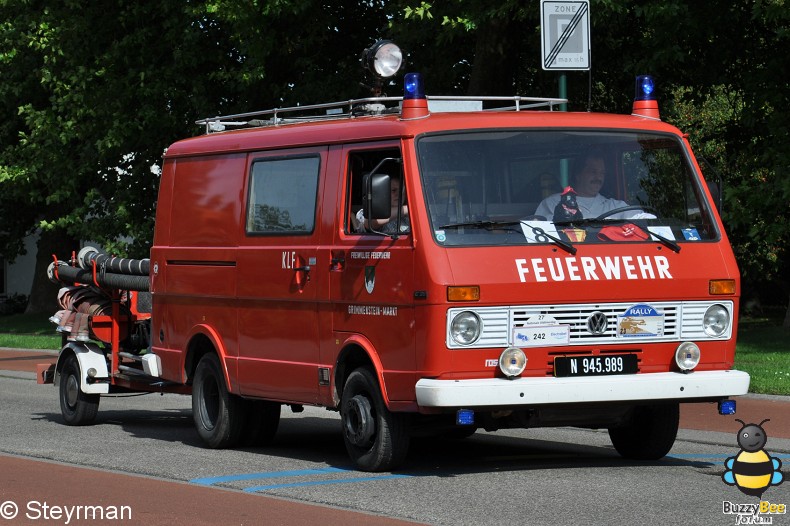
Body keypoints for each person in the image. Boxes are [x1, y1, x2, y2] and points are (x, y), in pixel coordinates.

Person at [534, 151, 654, 221]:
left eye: (602, 173)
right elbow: (538, 235)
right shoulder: (553, 203)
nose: (598, 177)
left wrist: (653, 221)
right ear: (578, 174)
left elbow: (640, 217)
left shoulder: (614, 206)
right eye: (593, 171)